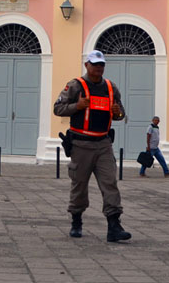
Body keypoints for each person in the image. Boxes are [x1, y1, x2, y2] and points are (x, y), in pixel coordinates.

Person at [53, 50, 131, 242]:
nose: (98, 68)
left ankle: (114, 226)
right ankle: (76, 221)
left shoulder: (111, 88)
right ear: (87, 65)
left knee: (110, 183)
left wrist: (117, 112)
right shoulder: (75, 86)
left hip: (103, 144)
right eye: (95, 64)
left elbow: (121, 114)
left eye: (101, 64)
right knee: (79, 185)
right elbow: (58, 108)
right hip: (81, 144)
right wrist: (77, 106)